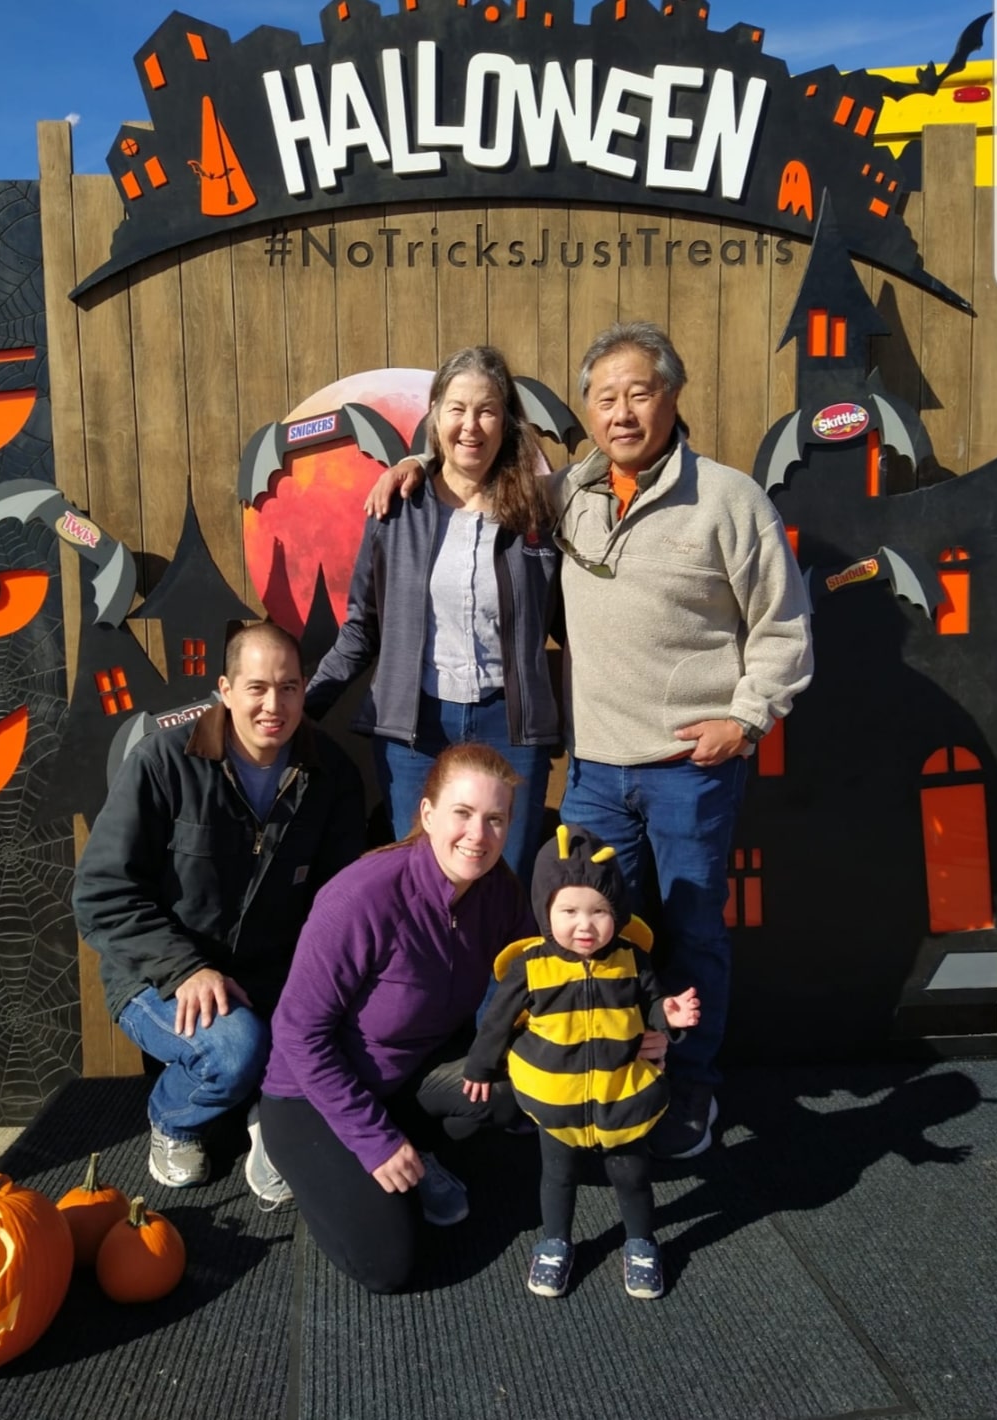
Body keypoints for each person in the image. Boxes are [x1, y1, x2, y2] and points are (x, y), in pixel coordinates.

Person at [368, 321, 814, 1159]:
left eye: (637, 392)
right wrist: (419, 466)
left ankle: (688, 1085)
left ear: (671, 398)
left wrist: (746, 716)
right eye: (602, 398)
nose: (620, 412)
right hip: (595, 772)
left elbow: (783, 627)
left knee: (689, 933)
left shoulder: (727, 499)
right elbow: (475, 473)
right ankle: (593, 1076)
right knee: (586, 932)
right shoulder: (566, 492)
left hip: (690, 769)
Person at [72, 621, 366, 1198]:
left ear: (305, 689)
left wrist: (316, 994)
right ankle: (174, 1119)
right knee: (236, 1050)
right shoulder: (163, 762)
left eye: (288, 688)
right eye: (256, 688)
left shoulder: (332, 775)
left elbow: (339, 903)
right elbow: (101, 893)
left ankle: (271, 1119)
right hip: (156, 974)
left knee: (352, 1030)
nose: (273, 705)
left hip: (272, 973)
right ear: (225, 689)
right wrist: (184, 969)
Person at [258, 743, 535, 1295]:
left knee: (515, 1089)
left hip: (407, 1077)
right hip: (308, 1097)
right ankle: (296, 1159)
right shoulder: (363, 896)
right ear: (428, 814)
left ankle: (413, 1145)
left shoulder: (499, 891)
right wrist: (373, 1140)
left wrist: (637, 1026)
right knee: (388, 1265)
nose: (477, 835)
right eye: (462, 813)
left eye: (495, 819)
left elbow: (544, 979)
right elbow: (296, 1032)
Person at [304, 345, 560, 888]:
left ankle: (496, 979)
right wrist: (303, 708)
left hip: (509, 724)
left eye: (487, 410)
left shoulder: (539, 510)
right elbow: (361, 627)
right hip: (416, 728)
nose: (471, 426)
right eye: (457, 409)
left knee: (503, 887)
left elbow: (574, 620)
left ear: (508, 421)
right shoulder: (396, 508)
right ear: (436, 417)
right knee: (423, 883)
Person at [462, 824, 700, 1299]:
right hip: (557, 1101)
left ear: (618, 913)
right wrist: (479, 1068)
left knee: (632, 1175)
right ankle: (555, 1242)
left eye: (599, 912)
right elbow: (497, 1021)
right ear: (546, 911)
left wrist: (669, 1016)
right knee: (558, 1176)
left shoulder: (632, 960)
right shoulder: (532, 967)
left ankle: (640, 1242)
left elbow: (653, 1006)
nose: (584, 925)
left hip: (621, 1096)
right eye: (568, 910)